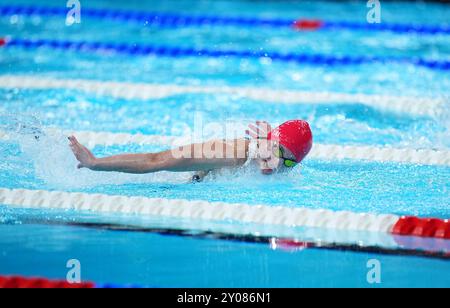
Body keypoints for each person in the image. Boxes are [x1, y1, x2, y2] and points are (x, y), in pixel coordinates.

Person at [69, 120, 313, 182]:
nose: (279, 164)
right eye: (279, 151)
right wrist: (95, 163)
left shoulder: (269, 158)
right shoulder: (232, 153)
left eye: (289, 162)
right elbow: (158, 160)